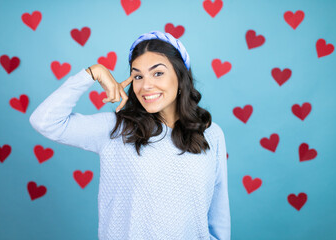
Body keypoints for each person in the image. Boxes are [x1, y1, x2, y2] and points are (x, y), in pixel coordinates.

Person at [29, 30, 230, 240]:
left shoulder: (211, 133)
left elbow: (218, 214)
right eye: (137, 76)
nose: (146, 85)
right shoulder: (116, 129)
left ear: (181, 77)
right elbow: (44, 121)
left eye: (158, 73)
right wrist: (94, 72)